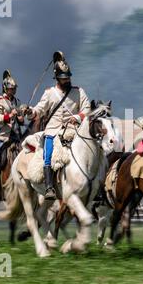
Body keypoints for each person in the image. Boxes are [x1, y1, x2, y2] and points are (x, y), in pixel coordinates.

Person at [26, 51, 91, 200]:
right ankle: (49, 188)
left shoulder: (79, 92)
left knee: (93, 149)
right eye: (63, 78)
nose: (67, 79)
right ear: (57, 78)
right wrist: (29, 111)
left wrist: (77, 117)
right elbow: (38, 110)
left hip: (74, 130)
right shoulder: (49, 93)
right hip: (53, 131)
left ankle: (96, 184)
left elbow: (87, 109)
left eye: (68, 77)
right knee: (47, 155)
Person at [0, 70, 24, 188]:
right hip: (0, 135)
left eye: (14, 88)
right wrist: (9, 116)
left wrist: (21, 116)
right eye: (11, 89)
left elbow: (21, 120)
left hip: (14, 134)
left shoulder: (17, 101)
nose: (14, 90)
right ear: (6, 89)